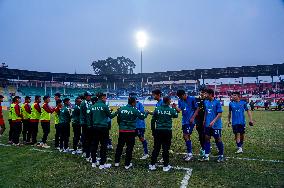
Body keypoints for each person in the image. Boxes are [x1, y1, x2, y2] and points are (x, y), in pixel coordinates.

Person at [114, 97, 148, 169]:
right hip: (131, 131)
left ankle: (116, 162)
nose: (136, 104)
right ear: (133, 103)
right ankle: (127, 164)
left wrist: (121, 126)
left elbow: (118, 119)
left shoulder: (121, 109)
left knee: (119, 146)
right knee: (129, 148)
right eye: (135, 102)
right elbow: (142, 117)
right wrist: (146, 113)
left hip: (122, 131)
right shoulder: (134, 110)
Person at [149, 96, 178, 172]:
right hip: (167, 131)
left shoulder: (157, 109)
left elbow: (153, 121)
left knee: (156, 148)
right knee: (166, 148)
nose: (171, 101)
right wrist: (174, 107)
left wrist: (153, 130)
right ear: (168, 101)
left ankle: (152, 165)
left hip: (158, 130)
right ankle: (165, 166)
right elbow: (176, 115)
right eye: (170, 100)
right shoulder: (170, 109)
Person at [89, 92, 117, 169]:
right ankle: (102, 164)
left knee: (94, 145)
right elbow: (110, 116)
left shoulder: (93, 106)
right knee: (103, 145)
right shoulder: (104, 106)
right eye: (105, 98)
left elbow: (90, 118)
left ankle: (93, 162)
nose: (106, 99)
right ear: (102, 98)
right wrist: (117, 112)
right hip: (103, 128)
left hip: (94, 128)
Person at [199, 89, 224, 162]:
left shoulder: (217, 102)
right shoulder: (206, 102)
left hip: (216, 125)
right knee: (206, 138)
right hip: (207, 124)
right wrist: (204, 120)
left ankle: (221, 156)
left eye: (206, 94)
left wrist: (213, 121)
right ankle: (206, 156)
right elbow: (206, 112)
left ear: (210, 94)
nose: (204, 95)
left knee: (217, 139)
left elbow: (220, 114)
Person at [173, 89, 198, 161]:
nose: (180, 98)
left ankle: (190, 153)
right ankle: (189, 152)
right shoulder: (180, 100)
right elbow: (179, 110)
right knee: (186, 136)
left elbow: (197, 109)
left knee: (185, 135)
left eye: (180, 97)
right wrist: (175, 107)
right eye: (179, 97)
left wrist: (193, 118)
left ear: (184, 94)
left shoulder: (192, 99)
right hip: (184, 121)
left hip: (190, 121)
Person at [129, 93, 149, 159]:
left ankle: (146, 153)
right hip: (132, 125)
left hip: (139, 125)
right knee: (130, 139)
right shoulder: (129, 105)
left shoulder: (139, 104)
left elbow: (142, 112)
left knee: (141, 138)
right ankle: (129, 152)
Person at [80, 91, 92, 158]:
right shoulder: (84, 103)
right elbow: (87, 113)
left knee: (87, 137)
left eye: (90, 96)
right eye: (89, 96)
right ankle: (85, 151)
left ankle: (87, 150)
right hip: (85, 123)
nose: (90, 97)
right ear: (85, 96)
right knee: (86, 137)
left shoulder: (88, 102)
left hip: (86, 122)